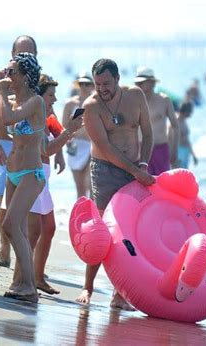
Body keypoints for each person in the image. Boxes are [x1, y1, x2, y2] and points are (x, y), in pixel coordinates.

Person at [77, 58, 155, 309]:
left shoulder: (135, 96)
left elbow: (148, 132)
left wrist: (143, 165)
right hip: (105, 170)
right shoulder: (91, 107)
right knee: (102, 230)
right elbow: (106, 148)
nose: (102, 89)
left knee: (130, 231)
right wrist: (135, 171)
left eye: (106, 83)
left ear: (118, 79)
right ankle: (87, 287)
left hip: (135, 168)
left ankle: (119, 293)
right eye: (98, 84)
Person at [0, 35, 43, 267]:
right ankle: (6, 249)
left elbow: (12, 117)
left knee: (17, 221)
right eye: (18, 54)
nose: (9, 73)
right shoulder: (2, 80)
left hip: (29, 167)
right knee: (6, 214)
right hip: (8, 156)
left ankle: (26, 278)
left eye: (29, 54)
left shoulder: (33, 95)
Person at [28, 74, 83, 295]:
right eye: (51, 95)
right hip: (33, 175)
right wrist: (69, 131)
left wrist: (63, 146)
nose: (55, 99)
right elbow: (45, 150)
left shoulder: (47, 116)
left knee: (47, 228)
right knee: (36, 232)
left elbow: (59, 137)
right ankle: (27, 277)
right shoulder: (36, 116)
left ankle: (36, 277)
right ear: (39, 96)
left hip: (43, 179)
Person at [0, 52, 46, 303]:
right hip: (13, 172)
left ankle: (29, 286)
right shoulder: (14, 100)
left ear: (26, 76)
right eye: (6, 71)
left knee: (9, 224)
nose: (7, 76)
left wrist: (2, 94)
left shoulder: (36, 102)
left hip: (31, 174)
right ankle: (20, 281)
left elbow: (8, 118)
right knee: (20, 230)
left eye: (12, 72)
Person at [134, 66, 179, 175]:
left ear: (151, 83)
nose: (137, 86)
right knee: (143, 184)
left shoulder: (164, 100)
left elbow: (175, 126)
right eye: (137, 83)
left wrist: (174, 149)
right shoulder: (134, 102)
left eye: (141, 83)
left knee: (162, 182)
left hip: (161, 149)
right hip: (141, 150)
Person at [62, 71, 94, 198]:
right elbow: (63, 125)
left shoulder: (95, 103)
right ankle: (80, 215)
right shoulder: (70, 103)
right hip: (75, 145)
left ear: (92, 85)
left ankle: (92, 214)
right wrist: (67, 142)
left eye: (87, 84)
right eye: (81, 84)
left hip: (91, 145)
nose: (84, 87)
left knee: (90, 185)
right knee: (80, 187)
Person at [176, 101, 198, 169]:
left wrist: (193, 155)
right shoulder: (176, 122)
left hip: (186, 151)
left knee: (185, 172)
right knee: (178, 173)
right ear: (186, 111)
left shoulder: (184, 121)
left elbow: (187, 139)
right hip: (179, 151)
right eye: (190, 111)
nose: (191, 114)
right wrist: (174, 157)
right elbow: (170, 140)